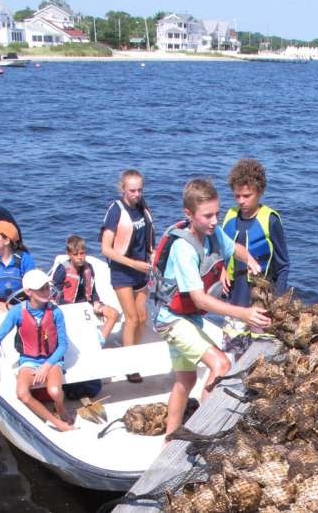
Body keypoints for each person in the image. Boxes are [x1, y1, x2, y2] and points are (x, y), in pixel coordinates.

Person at [153, 179, 271, 437]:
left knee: (186, 380)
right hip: (171, 320)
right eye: (207, 215)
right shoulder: (184, 249)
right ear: (189, 214)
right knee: (220, 364)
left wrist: (250, 260)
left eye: (217, 213)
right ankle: (205, 433)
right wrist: (244, 313)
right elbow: (200, 299)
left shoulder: (212, 232)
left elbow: (234, 247)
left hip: (187, 317)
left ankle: (170, 439)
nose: (215, 220)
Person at [0, 269, 75, 432]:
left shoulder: (56, 312)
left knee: (55, 391)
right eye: (41, 289)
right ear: (28, 292)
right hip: (29, 360)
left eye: (47, 287)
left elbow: (63, 345)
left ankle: (60, 408)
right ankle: (57, 423)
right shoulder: (17, 312)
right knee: (22, 394)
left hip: (52, 360)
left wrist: (47, 366)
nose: (46, 291)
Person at [221, 159, 290, 351]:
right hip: (235, 299)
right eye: (237, 196)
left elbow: (283, 264)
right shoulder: (229, 216)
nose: (241, 201)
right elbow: (223, 250)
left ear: (260, 192)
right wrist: (223, 270)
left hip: (261, 300)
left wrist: (276, 301)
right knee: (231, 353)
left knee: (260, 358)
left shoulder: (270, 220)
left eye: (246, 196)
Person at [100, 169, 155, 383]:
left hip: (142, 271)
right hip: (123, 271)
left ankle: (131, 349)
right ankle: (130, 365)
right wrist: (133, 264)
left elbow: (147, 240)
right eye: (132, 190)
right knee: (131, 317)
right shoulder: (116, 210)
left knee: (142, 318)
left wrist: (151, 259)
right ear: (123, 189)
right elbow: (106, 248)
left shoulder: (142, 207)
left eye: (140, 190)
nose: (137, 194)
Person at [52, 235, 120, 343]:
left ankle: (99, 340)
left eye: (82, 253)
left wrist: (96, 302)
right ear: (69, 254)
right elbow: (55, 294)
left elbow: (92, 291)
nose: (80, 257)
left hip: (87, 304)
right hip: (69, 307)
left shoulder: (89, 268)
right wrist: (69, 307)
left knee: (114, 314)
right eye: (75, 254)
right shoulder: (62, 270)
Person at [0, 220, 35, 314]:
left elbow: (33, 291)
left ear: (7, 241)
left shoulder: (25, 259)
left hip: (21, 308)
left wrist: (13, 309)